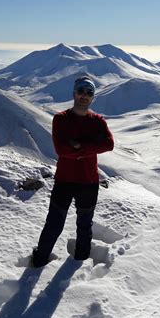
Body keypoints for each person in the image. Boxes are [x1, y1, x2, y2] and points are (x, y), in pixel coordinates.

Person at [32, 75, 114, 267]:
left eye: (89, 92)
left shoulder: (98, 121)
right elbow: (62, 150)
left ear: (93, 97)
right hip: (65, 181)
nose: (84, 95)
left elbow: (109, 144)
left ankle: (80, 261)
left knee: (84, 225)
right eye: (81, 91)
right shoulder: (61, 119)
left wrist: (79, 148)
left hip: (89, 182)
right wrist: (91, 146)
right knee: (55, 222)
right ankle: (40, 258)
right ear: (74, 93)